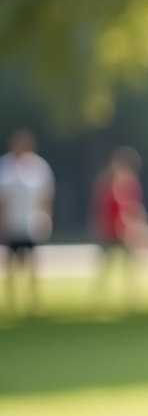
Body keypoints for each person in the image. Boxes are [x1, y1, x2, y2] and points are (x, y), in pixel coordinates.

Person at [0, 130, 55, 315]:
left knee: (33, 263)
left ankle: (34, 302)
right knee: (12, 264)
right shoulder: (5, 166)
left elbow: (46, 196)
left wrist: (47, 219)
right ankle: (13, 302)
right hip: (11, 224)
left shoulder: (39, 167)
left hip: (32, 223)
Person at [92, 146, 146, 311]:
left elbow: (133, 208)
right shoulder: (107, 184)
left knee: (128, 266)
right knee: (106, 267)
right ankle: (98, 301)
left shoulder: (130, 184)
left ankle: (131, 300)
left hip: (124, 232)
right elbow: (103, 210)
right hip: (110, 232)